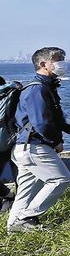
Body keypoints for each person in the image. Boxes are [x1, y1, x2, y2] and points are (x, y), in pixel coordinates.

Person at [7, 47, 70, 233]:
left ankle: (13, 226)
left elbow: (54, 119)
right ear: (43, 64)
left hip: (24, 148)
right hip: (35, 146)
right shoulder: (37, 89)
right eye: (58, 59)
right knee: (61, 179)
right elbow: (42, 123)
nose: (62, 63)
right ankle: (27, 217)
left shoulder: (45, 87)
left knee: (27, 188)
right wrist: (55, 142)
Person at [0, 76, 16, 213]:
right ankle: (9, 198)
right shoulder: (11, 93)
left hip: (3, 144)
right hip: (9, 143)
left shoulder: (7, 94)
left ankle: (9, 197)